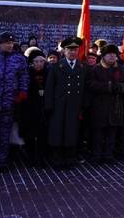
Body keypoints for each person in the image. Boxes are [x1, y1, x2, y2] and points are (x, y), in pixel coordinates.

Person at [0, 31, 28, 174]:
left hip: (9, 104)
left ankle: (2, 161)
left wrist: (22, 93)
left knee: (4, 135)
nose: (10, 45)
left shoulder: (19, 59)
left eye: (12, 43)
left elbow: (24, 78)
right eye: (7, 43)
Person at [45, 37, 86, 169]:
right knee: (58, 132)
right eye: (69, 49)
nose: (73, 52)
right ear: (64, 51)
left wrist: (84, 106)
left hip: (75, 106)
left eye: (75, 49)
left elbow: (85, 88)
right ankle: (57, 159)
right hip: (59, 106)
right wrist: (49, 106)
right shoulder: (57, 67)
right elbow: (50, 88)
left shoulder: (82, 67)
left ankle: (69, 159)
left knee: (71, 132)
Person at [87, 44, 124, 164]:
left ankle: (108, 155)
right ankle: (96, 155)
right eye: (110, 55)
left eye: (114, 55)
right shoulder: (95, 69)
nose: (112, 57)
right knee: (98, 133)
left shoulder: (120, 69)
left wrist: (119, 87)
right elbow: (91, 85)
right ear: (103, 56)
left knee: (111, 133)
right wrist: (107, 86)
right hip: (99, 106)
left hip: (115, 106)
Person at [21, 48, 49, 166]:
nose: (39, 64)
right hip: (29, 109)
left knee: (42, 135)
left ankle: (41, 158)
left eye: (41, 61)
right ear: (32, 63)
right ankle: (30, 157)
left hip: (44, 109)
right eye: (36, 62)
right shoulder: (27, 73)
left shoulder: (48, 73)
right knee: (30, 135)